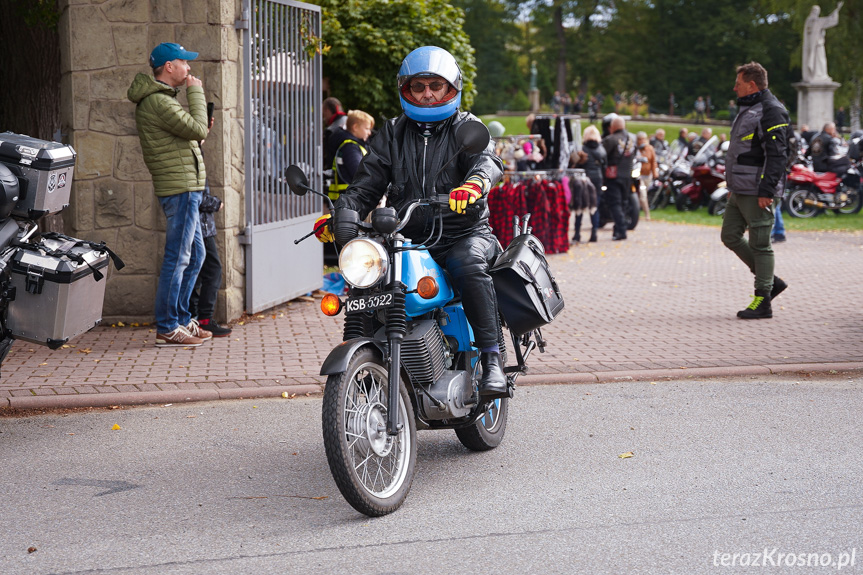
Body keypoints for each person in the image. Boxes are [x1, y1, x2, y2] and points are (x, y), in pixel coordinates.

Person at [314, 46, 507, 399]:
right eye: (418, 86)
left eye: (436, 85)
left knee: (467, 263)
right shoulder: (392, 132)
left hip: (463, 231)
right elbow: (366, 184)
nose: (427, 93)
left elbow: (487, 161)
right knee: (369, 280)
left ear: (451, 88)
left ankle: (493, 360)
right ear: (407, 90)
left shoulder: (466, 127)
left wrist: (474, 184)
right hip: (407, 235)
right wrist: (341, 213)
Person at [127, 42, 212, 347]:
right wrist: (196, 93)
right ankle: (167, 326)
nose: (189, 69)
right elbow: (198, 128)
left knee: (196, 255)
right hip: (179, 189)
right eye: (184, 63)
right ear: (169, 67)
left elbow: (190, 137)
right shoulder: (159, 102)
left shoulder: (162, 100)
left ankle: (179, 317)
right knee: (178, 258)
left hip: (185, 186)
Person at [721, 61, 790, 319]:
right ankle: (771, 281)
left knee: (760, 244)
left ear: (751, 84)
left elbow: (778, 155)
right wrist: (733, 186)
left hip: (757, 189)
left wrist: (767, 190)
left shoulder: (771, 110)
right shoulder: (751, 108)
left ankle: (763, 300)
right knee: (730, 236)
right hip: (740, 188)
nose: (734, 88)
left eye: (738, 84)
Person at [188, 115, 233, 338]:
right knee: (210, 270)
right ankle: (202, 319)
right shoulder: (192, 152)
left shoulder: (195, 149)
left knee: (198, 271)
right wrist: (217, 203)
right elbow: (197, 195)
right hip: (200, 225)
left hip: (202, 225)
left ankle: (196, 318)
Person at [327, 110, 375, 201]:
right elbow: (360, 174)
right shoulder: (351, 148)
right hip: (350, 200)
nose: (369, 133)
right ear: (355, 127)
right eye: (367, 128)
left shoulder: (354, 145)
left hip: (347, 199)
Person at [602, 114, 636, 241]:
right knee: (623, 203)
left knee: (615, 204)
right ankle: (619, 228)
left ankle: (621, 231)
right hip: (628, 175)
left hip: (614, 176)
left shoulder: (610, 139)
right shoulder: (632, 138)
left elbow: (602, 155)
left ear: (612, 127)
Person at [572, 124, 606, 243]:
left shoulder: (582, 150)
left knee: (579, 205)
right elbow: (604, 166)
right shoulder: (601, 150)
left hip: (583, 179)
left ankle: (577, 233)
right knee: (594, 206)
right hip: (597, 180)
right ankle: (594, 232)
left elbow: (575, 164)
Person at [636, 131, 657, 221]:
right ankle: (647, 214)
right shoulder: (636, 149)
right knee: (643, 195)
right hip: (638, 175)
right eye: (640, 139)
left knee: (643, 195)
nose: (642, 141)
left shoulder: (650, 148)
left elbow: (653, 161)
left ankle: (636, 212)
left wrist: (654, 172)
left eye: (643, 139)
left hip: (647, 175)